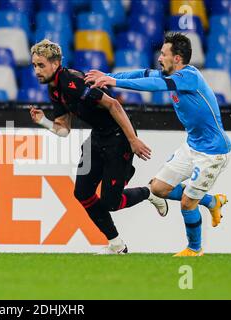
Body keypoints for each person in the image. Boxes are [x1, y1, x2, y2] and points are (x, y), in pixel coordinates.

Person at [85, 32, 231, 257]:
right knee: (158, 188)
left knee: (187, 204)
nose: (160, 58)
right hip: (192, 146)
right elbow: (142, 74)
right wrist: (107, 75)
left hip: (213, 152)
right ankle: (213, 201)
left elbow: (153, 84)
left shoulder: (189, 76)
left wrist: (115, 82)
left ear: (178, 58)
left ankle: (195, 249)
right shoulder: (171, 75)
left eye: (164, 54)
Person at [29, 39, 168, 254]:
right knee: (82, 193)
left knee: (111, 202)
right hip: (98, 138)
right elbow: (64, 130)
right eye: (34, 65)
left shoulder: (71, 82)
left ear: (55, 63)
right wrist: (44, 122)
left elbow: (113, 104)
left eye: (41, 65)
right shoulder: (54, 90)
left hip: (118, 138)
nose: (36, 71)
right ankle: (116, 245)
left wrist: (132, 140)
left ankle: (150, 192)